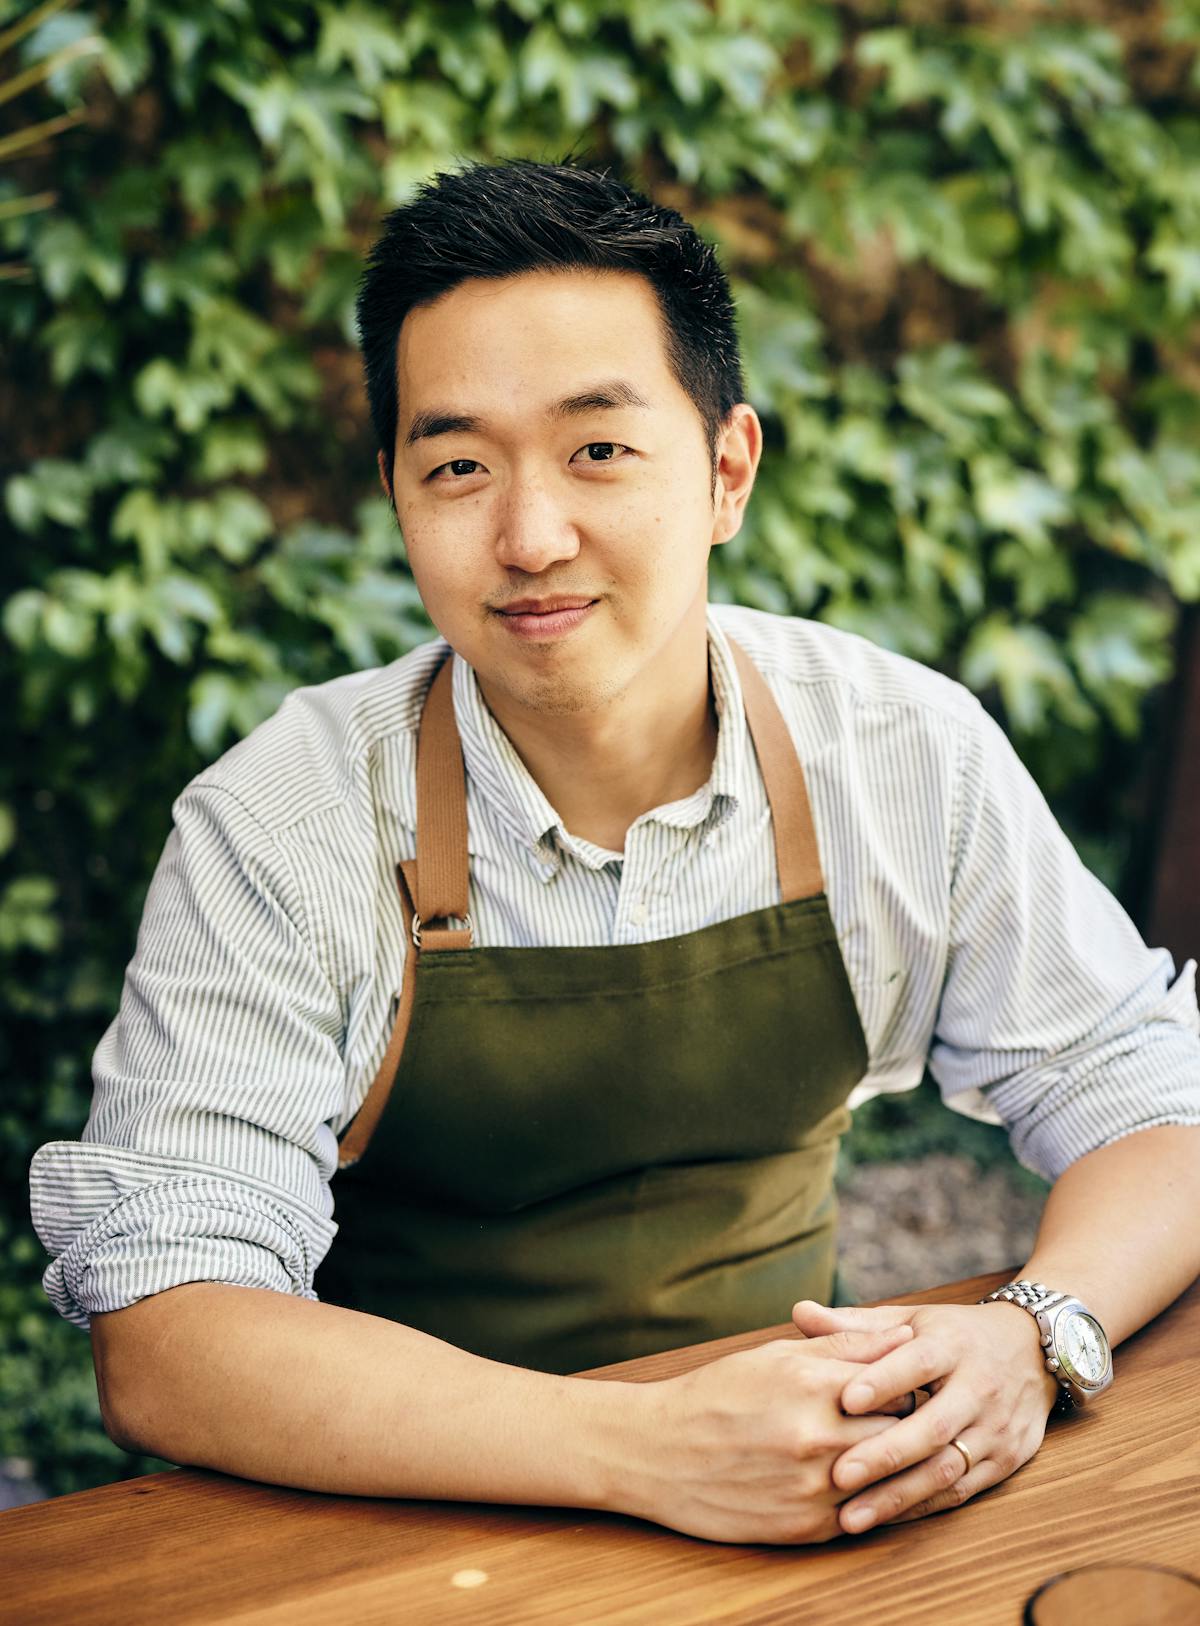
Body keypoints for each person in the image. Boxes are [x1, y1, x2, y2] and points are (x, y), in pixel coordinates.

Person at [29, 157, 1200, 1547]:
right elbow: (168, 1325)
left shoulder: (899, 753)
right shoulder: (286, 823)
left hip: (810, 1493)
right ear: (400, 498)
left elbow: (1150, 1099)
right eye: (457, 465)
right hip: (394, 1511)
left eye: (598, 449)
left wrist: (1036, 1326)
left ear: (725, 471)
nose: (530, 535)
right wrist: (642, 1446)